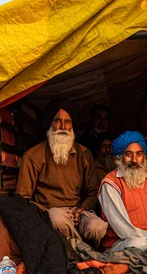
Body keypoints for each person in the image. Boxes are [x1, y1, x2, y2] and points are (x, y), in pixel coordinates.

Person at [16, 98, 108, 246]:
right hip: (51, 212)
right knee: (56, 218)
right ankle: (83, 250)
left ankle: (74, 248)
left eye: (68, 122)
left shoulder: (84, 154)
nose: (63, 127)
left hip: (79, 211)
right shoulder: (33, 156)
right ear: (49, 124)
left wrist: (82, 208)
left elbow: (94, 191)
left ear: (72, 126)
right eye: (57, 121)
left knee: (96, 227)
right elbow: (22, 198)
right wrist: (44, 210)